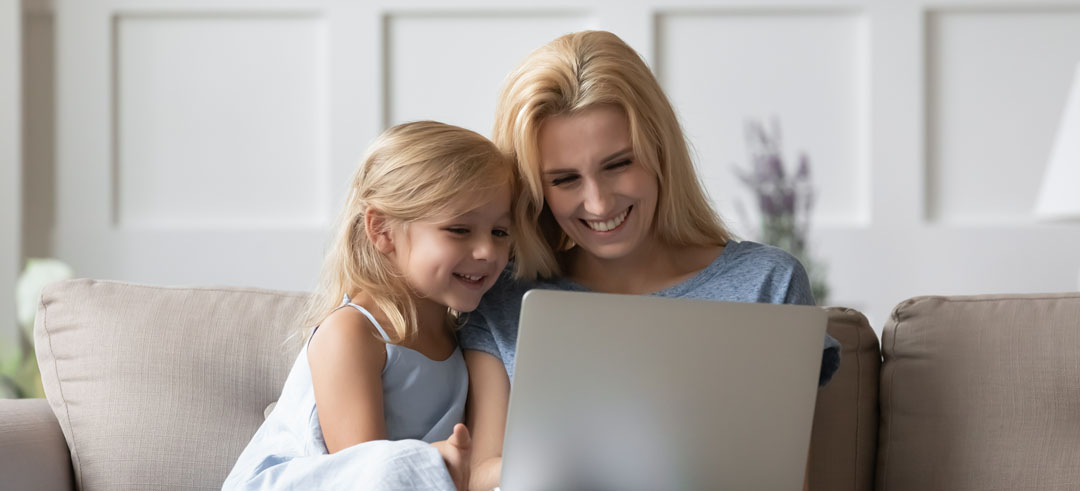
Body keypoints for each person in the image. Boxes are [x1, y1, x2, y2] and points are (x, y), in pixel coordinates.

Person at [458, 30, 842, 490]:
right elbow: (480, 476)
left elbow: (784, 479)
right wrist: (581, 455)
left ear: (660, 151)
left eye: (619, 164)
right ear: (536, 191)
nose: (598, 204)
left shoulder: (768, 282)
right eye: (565, 180)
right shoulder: (504, 297)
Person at [223, 121, 518, 491]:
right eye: (459, 230)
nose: (487, 251)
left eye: (500, 232)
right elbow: (367, 475)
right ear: (381, 230)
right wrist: (435, 462)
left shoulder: (464, 332)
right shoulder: (352, 334)